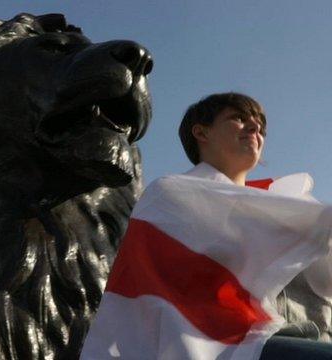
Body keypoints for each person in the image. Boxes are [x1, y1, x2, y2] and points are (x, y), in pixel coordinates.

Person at [81, 92, 332, 360]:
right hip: (226, 347)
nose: (255, 127)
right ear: (201, 132)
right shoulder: (170, 194)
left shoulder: (290, 206)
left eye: (260, 124)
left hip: (302, 336)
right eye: (238, 117)